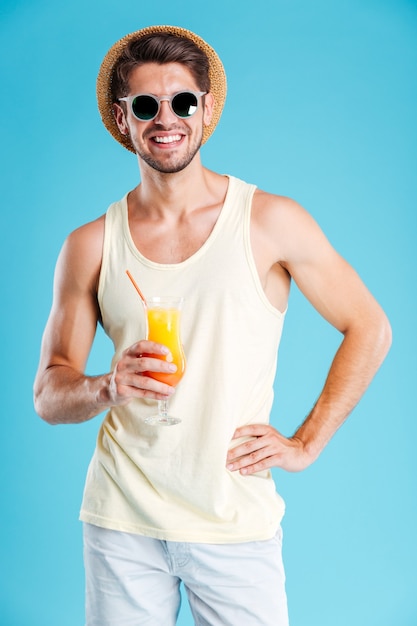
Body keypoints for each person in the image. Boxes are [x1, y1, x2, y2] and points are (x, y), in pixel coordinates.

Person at [33, 25, 391, 626]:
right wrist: (106, 386)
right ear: (123, 119)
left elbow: (369, 326)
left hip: (233, 520)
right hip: (122, 522)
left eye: (182, 101)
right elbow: (48, 394)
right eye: (145, 105)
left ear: (207, 109)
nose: (164, 118)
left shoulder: (271, 221)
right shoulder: (90, 245)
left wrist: (305, 443)